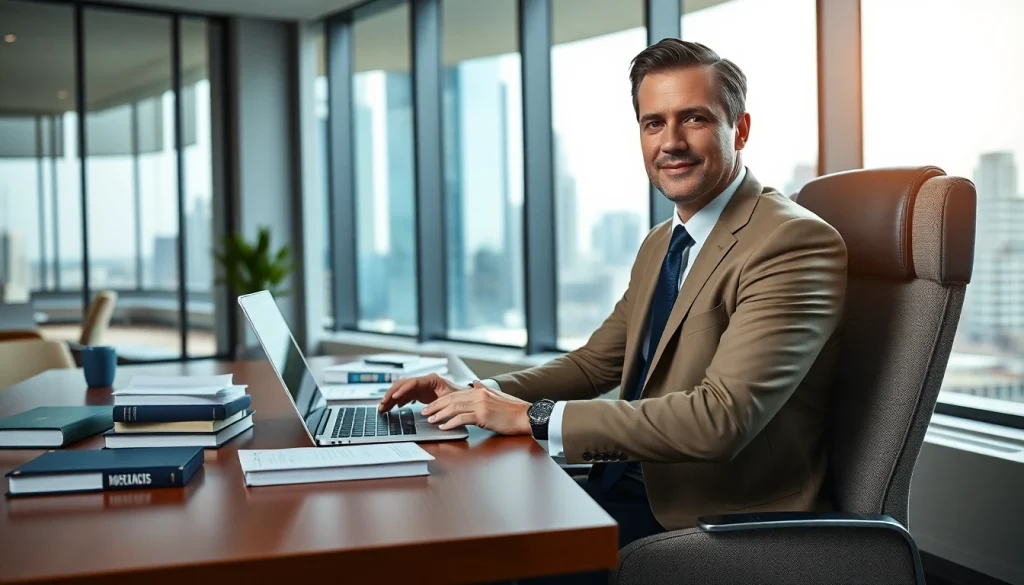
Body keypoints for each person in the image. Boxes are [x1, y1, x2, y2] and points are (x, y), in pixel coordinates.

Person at [379, 37, 847, 564]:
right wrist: (473, 395)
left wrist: (533, 417)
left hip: (717, 519)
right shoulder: (662, 242)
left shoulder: (791, 242)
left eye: (693, 118)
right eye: (653, 123)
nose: (670, 143)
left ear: (739, 128)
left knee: (480, 554)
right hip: (628, 483)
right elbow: (593, 364)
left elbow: (721, 419)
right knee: (441, 521)